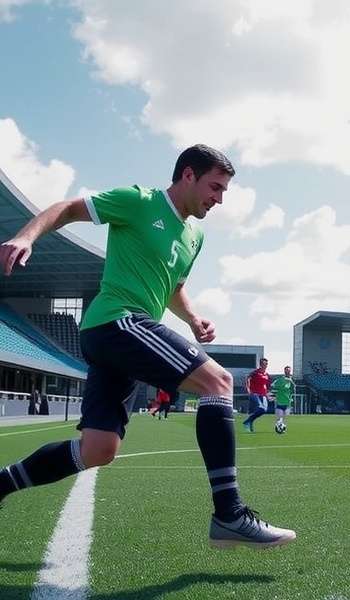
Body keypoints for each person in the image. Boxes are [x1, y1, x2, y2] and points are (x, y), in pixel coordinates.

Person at [0, 144, 296, 548]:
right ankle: (229, 514)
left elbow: (173, 286)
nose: (220, 199)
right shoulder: (140, 202)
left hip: (122, 337)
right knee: (219, 383)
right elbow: (68, 208)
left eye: (224, 191)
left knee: (98, 449)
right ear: (188, 175)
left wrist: (192, 318)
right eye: (216, 187)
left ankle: (1, 485)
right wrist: (25, 236)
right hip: (116, 320)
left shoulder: (195, 235)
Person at [242, 358, 270, 433]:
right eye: (264, 364)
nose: (265, 365)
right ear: (260, 364)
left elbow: (265, 385)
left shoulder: (267, 374)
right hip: (254, 393)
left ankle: (248, 421)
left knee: (264, 410)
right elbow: (247, 378)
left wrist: (267, 394)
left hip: (263, 394)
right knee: (261, 408)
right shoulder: (255, 372)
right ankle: (248, 423)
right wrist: (248, 388)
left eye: (266, 364)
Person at [271, 366, 295, 432]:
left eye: (289, 370)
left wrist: (291, 382)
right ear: (284, 371)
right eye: (287, 370)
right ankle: (279, 427)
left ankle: (280, 426)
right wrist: (273, 394)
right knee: (280, 417)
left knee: (285, 417)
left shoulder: (291, 380)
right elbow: (272, 385)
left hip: (288, 402)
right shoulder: (281, 380)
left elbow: (293, 389)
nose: (288, 371)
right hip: (280, 401)